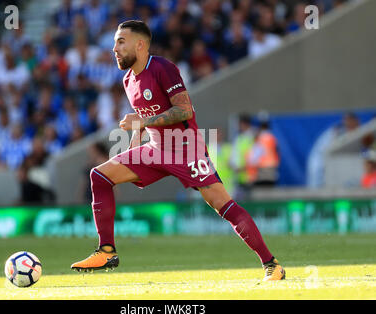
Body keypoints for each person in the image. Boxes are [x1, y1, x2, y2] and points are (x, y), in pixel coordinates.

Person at [71, 20, 285, 281]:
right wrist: (132, 146)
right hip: (155, 148)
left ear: (140, 45)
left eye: (120, 42)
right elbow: (144, 118)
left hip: (186, 149)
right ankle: (106, 251)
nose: (114, 48)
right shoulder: (128, 80)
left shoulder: (163, 67)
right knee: (100, 176)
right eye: (115, 42)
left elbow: (184, 110)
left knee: (222, 204)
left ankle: (271, 264)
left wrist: (142, 123)